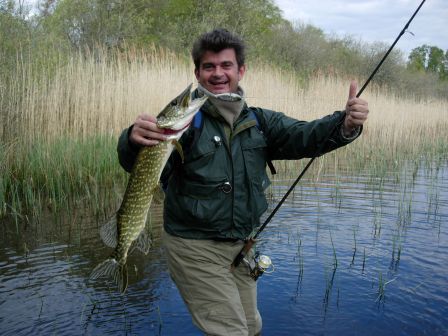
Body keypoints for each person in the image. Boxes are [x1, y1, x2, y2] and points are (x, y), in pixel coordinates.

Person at [117, 28, 368, 336]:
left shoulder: (260, 122)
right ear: (197, 73)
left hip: (241, 247)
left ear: (241, 70)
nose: (218, 73)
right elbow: (136, 165)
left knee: (251, 327)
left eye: (226, 65)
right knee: (230, 331)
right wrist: (132, 141)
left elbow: (307, 136)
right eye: (209, 67)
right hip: (195, 247)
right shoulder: (185, 128)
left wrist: (345, 123)